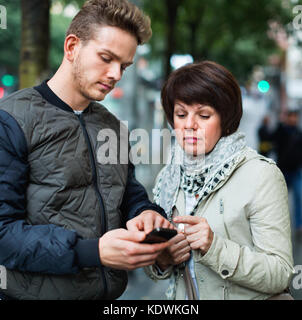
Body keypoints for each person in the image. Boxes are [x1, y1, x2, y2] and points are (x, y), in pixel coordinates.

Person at [0, 0, 173, 300]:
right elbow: (2, 235)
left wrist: (145, 213)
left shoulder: (114, 127)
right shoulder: (11, 120)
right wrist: (92, 252)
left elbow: (127, 194)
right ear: (71, 47)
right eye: (106, 58)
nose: (116, 74)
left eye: (124, 66)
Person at [145, 61, 295, 300]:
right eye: (181, 114)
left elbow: (281, 273)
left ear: (225, 119)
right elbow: (158, 269)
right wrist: (162, 260)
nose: (190, 125)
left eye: (203, 115)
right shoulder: (168, 178)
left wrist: (215, 247)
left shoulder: (260, 175)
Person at [272, 110, 302, 232]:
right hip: (283, 171)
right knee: (279, 199)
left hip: (296, 171)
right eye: (292, 117)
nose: (294, 119)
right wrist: (280, 123)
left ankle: (299, 225)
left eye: (295, 117)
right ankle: (277, 223)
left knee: (299, 198)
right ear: (288, 118)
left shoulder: (299, 133)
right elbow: (273, 139)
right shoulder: (281, 131)